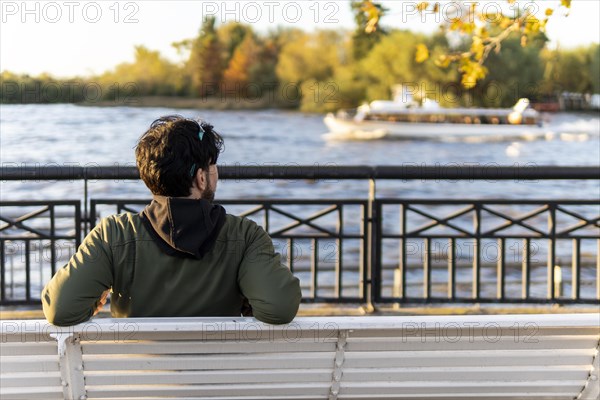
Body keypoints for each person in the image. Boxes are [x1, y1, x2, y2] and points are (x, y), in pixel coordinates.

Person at [42, 116, 301, 326]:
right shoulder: (244, 235)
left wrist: (94, 294)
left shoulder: (114, 234)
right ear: (201, 178)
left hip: (137, 384)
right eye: (213, 165)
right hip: (220, 384)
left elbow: (61, 310)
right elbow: (278, 308)